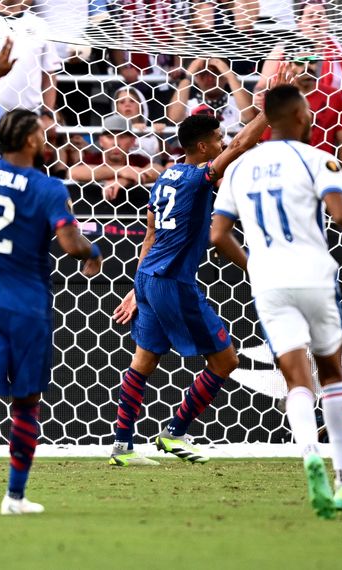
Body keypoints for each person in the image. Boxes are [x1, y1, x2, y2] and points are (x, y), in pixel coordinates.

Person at [211, 84, 342, 518]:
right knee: (331, 375)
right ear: (295, 115)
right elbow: (341, 214)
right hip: (314, 274)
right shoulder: (319, 159)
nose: (313, 117)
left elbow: (218, 235)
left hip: (269, 281)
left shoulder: (239, 168)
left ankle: (309, 454)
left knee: (296, 380)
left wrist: (255, 266)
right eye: (308, 110)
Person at [105, 65, 296, 467]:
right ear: (204, 147)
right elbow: (244, 143)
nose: (224, 142)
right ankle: (175, 434)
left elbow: (151, 236)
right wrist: (270, 106)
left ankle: (123, 447)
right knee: (226, 361)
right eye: (218, 139)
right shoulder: (196, 179)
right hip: (173, 281)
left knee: (143, 361)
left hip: (150, 277)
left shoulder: (164, 179)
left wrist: (138, 288)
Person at [0, 39, 102, 516]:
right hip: (30, 306)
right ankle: (15, 497)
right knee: (26, 402)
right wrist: (91, 249)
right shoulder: (47, 188)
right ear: (35, 142)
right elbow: (70, 243)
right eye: (41, 131)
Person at [0, 0, 61, 149]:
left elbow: (49, 74)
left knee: (23, 168)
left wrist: (48, 114)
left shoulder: (40, 26)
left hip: (29, 118)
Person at [260, 54, 342, 177]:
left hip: (320, 169)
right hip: (286, 169)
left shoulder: (333, 95)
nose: (307, 66)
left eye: (312, 61)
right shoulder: (280, 98)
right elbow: (267, 139)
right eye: (300, 62)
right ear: (289, 66)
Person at [68, 114, 161, 201]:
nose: (116, 142)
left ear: (132, 141)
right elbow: (73, 172)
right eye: (110, 137)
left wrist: (124, 180)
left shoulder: (137, 159)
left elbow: (159, 170)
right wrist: (121, 170)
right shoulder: (93, 159)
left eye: (122, 136)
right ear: (101, 141)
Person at [166, 57, 256, 144]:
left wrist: (229, 75)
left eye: (216, 73)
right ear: (196, 78)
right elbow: (174, 117)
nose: (210, 78)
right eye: (203, 74)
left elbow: (249, 116)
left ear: (224, 77)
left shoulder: (236, 102)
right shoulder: (189, 104)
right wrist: (189, 73)